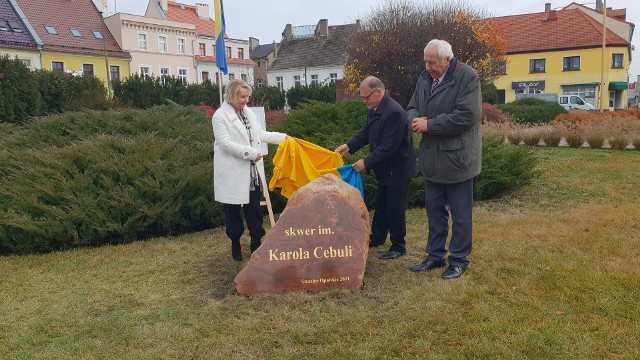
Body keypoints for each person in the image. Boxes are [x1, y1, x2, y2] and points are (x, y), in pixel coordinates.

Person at [407, 39, 482, 280]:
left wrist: (430, 124)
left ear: (447, 60)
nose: (427, 67)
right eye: (426, 61)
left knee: (461, 215)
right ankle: (435, 255)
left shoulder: (467, 77)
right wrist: (413, 119)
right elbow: (412, 107)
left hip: (458, 160)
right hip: (432, 159)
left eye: (432, 62)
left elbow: (467, 116)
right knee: (434, 212)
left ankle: (459, 260)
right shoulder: (424, 78)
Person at [335, 76, 416, 260]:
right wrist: (348, 146)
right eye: (362, 97)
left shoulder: (394, 112)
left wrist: (366, 162)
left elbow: (388, 147)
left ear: (379, 92)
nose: (364, 101)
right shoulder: (375, 108)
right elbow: (366, 132)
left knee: (394, 207)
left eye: (366, 97)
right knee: (381, 205)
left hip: (398, 168)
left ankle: (398, 246)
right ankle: (378, 238)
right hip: (385, 169)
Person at [212, 79, 288, 261]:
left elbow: (260, 134)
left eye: (247, 96)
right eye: (242, 97)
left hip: (251, 172)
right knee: (232, 211)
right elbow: (225, 144)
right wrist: (251, 153)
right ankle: (235, 243)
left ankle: (256, 241)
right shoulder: (219, 116)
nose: (246, 100)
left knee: (254, 208)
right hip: (232, 171)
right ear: (231, 96)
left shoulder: (248, 114)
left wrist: (285, 138)